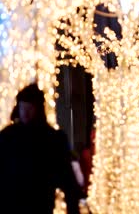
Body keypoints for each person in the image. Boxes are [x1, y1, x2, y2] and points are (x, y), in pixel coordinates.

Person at [0, 84, 80, 213]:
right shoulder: (7, 137)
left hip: (39, 204)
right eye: (22, 107)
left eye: (29, 108)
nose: (25, 112)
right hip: (10, 205)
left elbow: (67, 180)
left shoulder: (52, 139)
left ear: (37, 109)